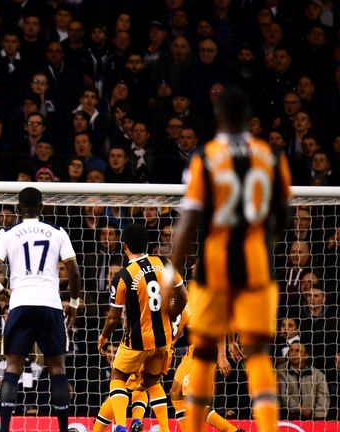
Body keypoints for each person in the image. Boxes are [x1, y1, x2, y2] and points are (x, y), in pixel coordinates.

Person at [167, 87, 292, 432]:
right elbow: (283, 218)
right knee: (258, 357)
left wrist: (171, 275)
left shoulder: (205, 157)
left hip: (214, 266)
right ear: (249, 118)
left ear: (218, 117)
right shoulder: (271, 155)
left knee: (204, 354)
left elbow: (188, 223)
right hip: (257, 267)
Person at [0, 186, 82, 432]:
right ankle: (62, 428)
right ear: (42, 207)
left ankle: (4, 428)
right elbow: (74, 272)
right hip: (50, 304)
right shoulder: (58, 232)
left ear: (18, 209)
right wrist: (75, 303)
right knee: (57, 368)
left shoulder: (6, 233)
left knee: (13, 367)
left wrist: (1, 291)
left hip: (21, 303)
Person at [98, 223, 184, 432]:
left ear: (124, 246)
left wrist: (103, 337)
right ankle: (164, 428)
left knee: (118, 377)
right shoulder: (165, 262)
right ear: (147, 244)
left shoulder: (124, 276)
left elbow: (113, 317)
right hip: (163, 339)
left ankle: (119, 425)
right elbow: (183, 297)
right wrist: (172, 314)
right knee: (152, 382)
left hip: (137, 341)